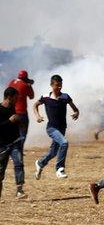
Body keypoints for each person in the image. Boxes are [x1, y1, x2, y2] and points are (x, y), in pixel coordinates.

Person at [33, 75, 79, 179]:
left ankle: (40, 163)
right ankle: (60, 168)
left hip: (62, 128)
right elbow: (35, 105)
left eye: (60, 85)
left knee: (53, 152)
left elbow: (76, 109)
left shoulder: (65, 97)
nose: (59, 87)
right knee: (64, 143)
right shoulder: (46, 97)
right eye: (56, 85)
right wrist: (38, 116)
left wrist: (76, 113)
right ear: (51, 85)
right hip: (51, 128)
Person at [7, 70, 34, 198]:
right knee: (22, 135)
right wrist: (30, 85)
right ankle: (17, 150)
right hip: (22, 113)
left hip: (11, 112)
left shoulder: (12, 82)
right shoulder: (25, 85)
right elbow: (32, 96)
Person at [0, 87, 21, 199]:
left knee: (18, 163)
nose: (17, 100)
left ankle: (20, 190)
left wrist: (17, 121)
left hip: (14, 142)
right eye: (15, 98)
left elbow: (13, 124)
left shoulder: (12, 107)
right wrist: (9, 121)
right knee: (0, 172)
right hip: (2, 145)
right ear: (9, 97)